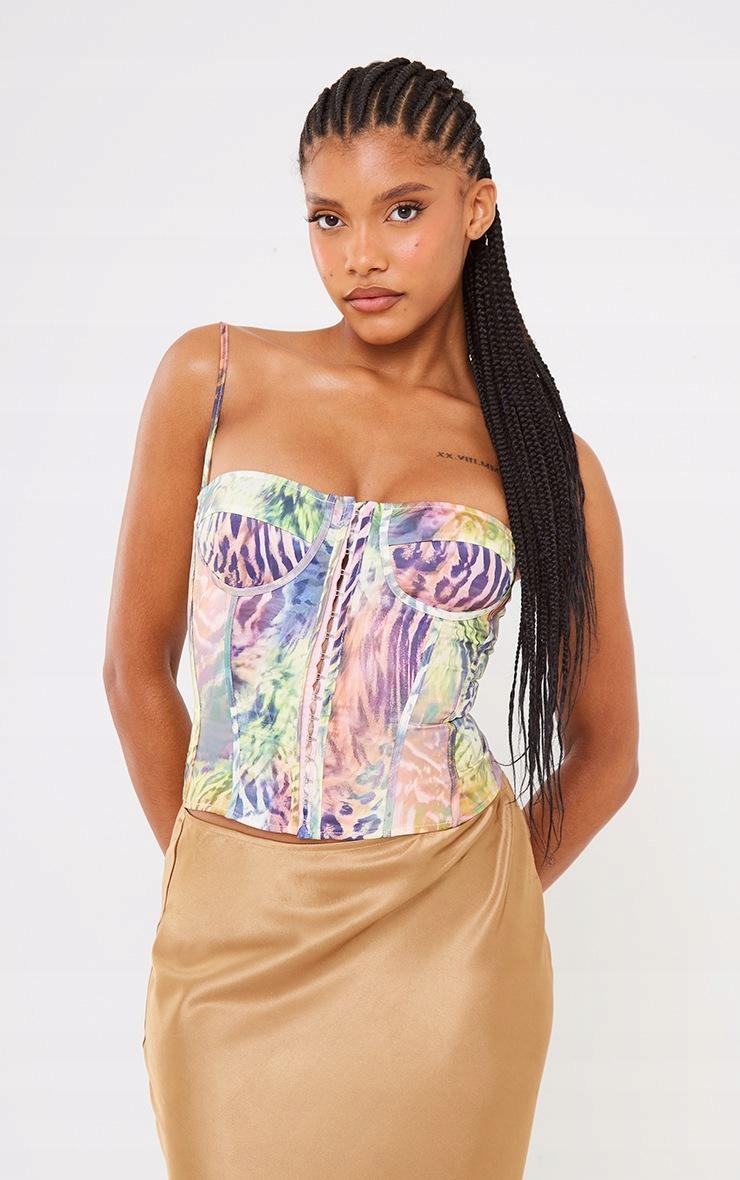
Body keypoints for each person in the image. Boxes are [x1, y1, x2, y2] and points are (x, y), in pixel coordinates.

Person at [103, 56, 639, 1180]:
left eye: (402, 210)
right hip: (229, 940)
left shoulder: (547, 464)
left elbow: (607, 749)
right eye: (327, 218)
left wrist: (483, 899)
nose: (360, 254)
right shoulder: (213, 376)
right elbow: (134, 668)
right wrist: (209, 873)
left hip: (450, 955)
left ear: (475, 209)